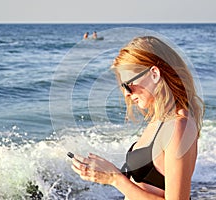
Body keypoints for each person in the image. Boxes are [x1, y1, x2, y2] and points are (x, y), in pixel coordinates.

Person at [71, 36, 205, 199]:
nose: (127, 93)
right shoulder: (159, 121)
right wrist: (101, 172)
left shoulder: (179, 125)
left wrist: (114, 178)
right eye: (123, 87)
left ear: (154, 74)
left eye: (129, 84)